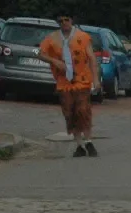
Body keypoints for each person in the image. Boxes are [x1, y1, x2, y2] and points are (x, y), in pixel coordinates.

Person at [38, 13, 100, 158]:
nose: (64, 23)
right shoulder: (52, 38)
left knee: (83, 110)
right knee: (70, 113)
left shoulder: (83, 37)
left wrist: (96, 80)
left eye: (66, 20)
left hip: (82, 80)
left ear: (71, 20)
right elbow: (38, 53)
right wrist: (54, 61)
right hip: (64, 83)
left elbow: (91, 58)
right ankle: (79, 145)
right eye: (60, 21)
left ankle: (89, 141)